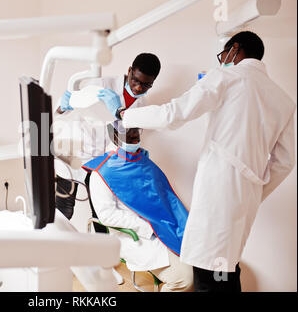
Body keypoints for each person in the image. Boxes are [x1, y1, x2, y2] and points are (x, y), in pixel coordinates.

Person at [99, 31, 296, 291]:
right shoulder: (284, 100)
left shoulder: (226, 76)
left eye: (223, 55)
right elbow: (285, 161)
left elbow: (173, 115)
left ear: (234, 50)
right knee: (226, 266)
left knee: (209, 271)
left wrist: (126, 117)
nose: (222, 60)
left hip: (219, 189)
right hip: (246, 196)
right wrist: (255, 190)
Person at [54, 53, 161, 231]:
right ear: (129, 71)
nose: (138, 88)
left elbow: (123, 135)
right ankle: (52, 248)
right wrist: (63, 105)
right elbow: (64, 109)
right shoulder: (101, 86)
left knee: (101, 214)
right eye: (135, 80)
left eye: (146, 85)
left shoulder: (142, 104)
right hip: (75, 153)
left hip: (101, 161)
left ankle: (101, 255)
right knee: (64, 210)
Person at [82, 121, 193, 292]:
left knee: (203, 263)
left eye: (136, 130)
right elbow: (107, 215)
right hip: (139, 235)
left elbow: (166, 199)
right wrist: (147, 226)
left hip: (165, 226)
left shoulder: (144, 162)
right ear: (114, 136)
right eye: (128, 132)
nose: (134, 135)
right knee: (185, 279)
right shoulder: (102, 173)